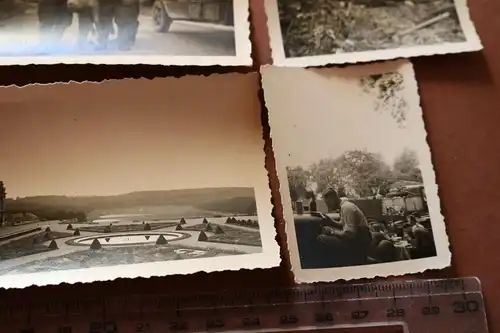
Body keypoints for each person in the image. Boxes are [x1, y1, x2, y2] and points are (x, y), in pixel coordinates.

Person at [316, 197, 372, 266]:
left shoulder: (347, 208)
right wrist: (330, 221)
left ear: (332, 199)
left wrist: (332, 232)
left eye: (327, 203)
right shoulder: (344, 206)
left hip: (358, 244)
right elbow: (343, 224)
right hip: (357, 240)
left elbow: (350, 234)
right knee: (326, 232)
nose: (328, 206)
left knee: (321, 238)